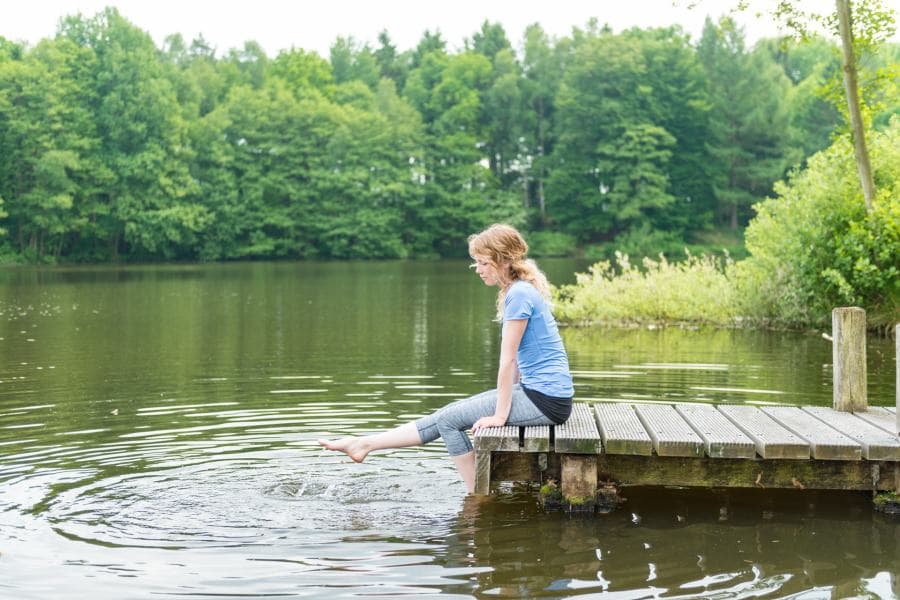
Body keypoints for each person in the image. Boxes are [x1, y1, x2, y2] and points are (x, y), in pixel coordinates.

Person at [318, 224, 574, 493]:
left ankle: (479, 496)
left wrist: (500, 415)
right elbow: (522, 360)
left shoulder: (519, 295)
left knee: (450, 422)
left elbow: (508, 361)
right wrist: (507, 400)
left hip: (545, 401)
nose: (478, 269)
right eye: (476, 262)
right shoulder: (518, 290)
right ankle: (364, 444)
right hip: (540, 393)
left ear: (503, 260)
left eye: (483, 262)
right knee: (446, 414)